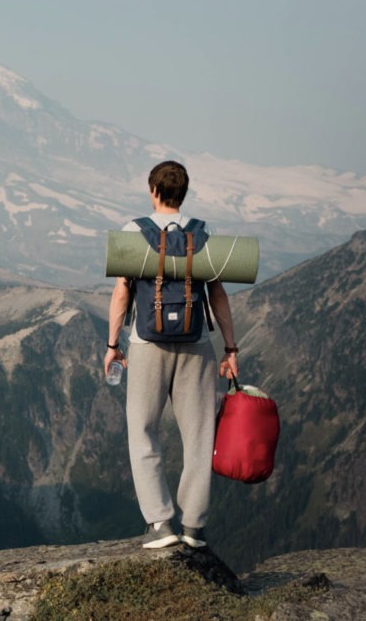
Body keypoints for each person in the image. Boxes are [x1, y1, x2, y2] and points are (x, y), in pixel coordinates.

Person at [103, 160, 239, 549]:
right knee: (199, 435)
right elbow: (217, 295)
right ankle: (194, 526)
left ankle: (160, 524)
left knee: (143, 431)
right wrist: (230, 348)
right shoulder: (202, 232)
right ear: (184, 192)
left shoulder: (133, 231)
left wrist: (113, 345)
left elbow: (122, 292)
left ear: (153, 191)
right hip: (197, 346)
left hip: (148, 346)